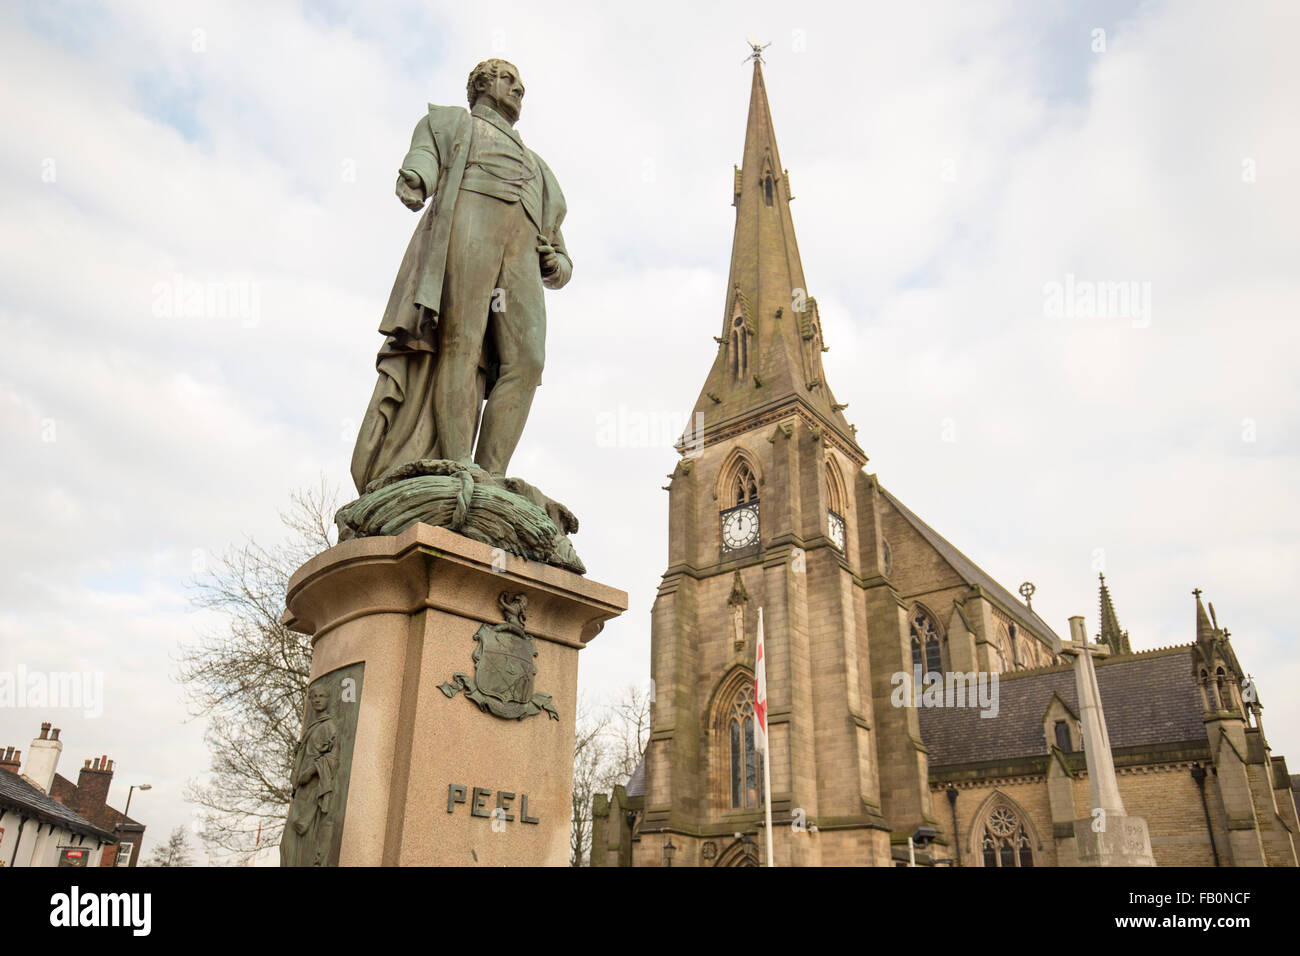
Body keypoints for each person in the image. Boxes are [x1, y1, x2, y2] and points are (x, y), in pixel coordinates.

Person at [350, 58, 572, 491]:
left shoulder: (540, 168)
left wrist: (556, 264)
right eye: (508, 79)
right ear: (480, 86)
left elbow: (562, 260)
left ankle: (491, 474)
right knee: (462, 342)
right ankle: (456, 463)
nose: (518, 89)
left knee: (528, 361)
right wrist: (416, 178)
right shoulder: (453, 122)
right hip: (470, 222)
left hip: (521, 252)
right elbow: (424, 159)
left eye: (521, 83)